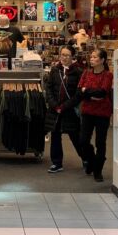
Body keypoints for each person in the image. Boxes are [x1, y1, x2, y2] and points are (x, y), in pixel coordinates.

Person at [44, 45, 84, 173]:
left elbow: (78, 95)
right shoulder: (55, 70)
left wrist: (65, 106)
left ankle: (86, 158)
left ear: (72, 57)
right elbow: (49, 88)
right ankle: (56, 163)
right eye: (62, 55)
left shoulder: (78, 72)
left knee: (75, 136)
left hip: (69, 109)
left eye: (67, 55)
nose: (64, 58)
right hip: (55, 109)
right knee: (55, 135)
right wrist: (54, 104)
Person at [79, 48, 113, 182]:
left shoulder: (107, 75)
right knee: (83, 141)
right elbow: (80, 90)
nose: (91, 59)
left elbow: (102, 93)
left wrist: (87, 91)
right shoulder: (86, 73)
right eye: (91, 57)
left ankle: (97, 170)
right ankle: (92, 162)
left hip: (102, 113)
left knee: (100, 142)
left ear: (102, 60)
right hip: (87, 111)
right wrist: (89, 94)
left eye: (94, 57)